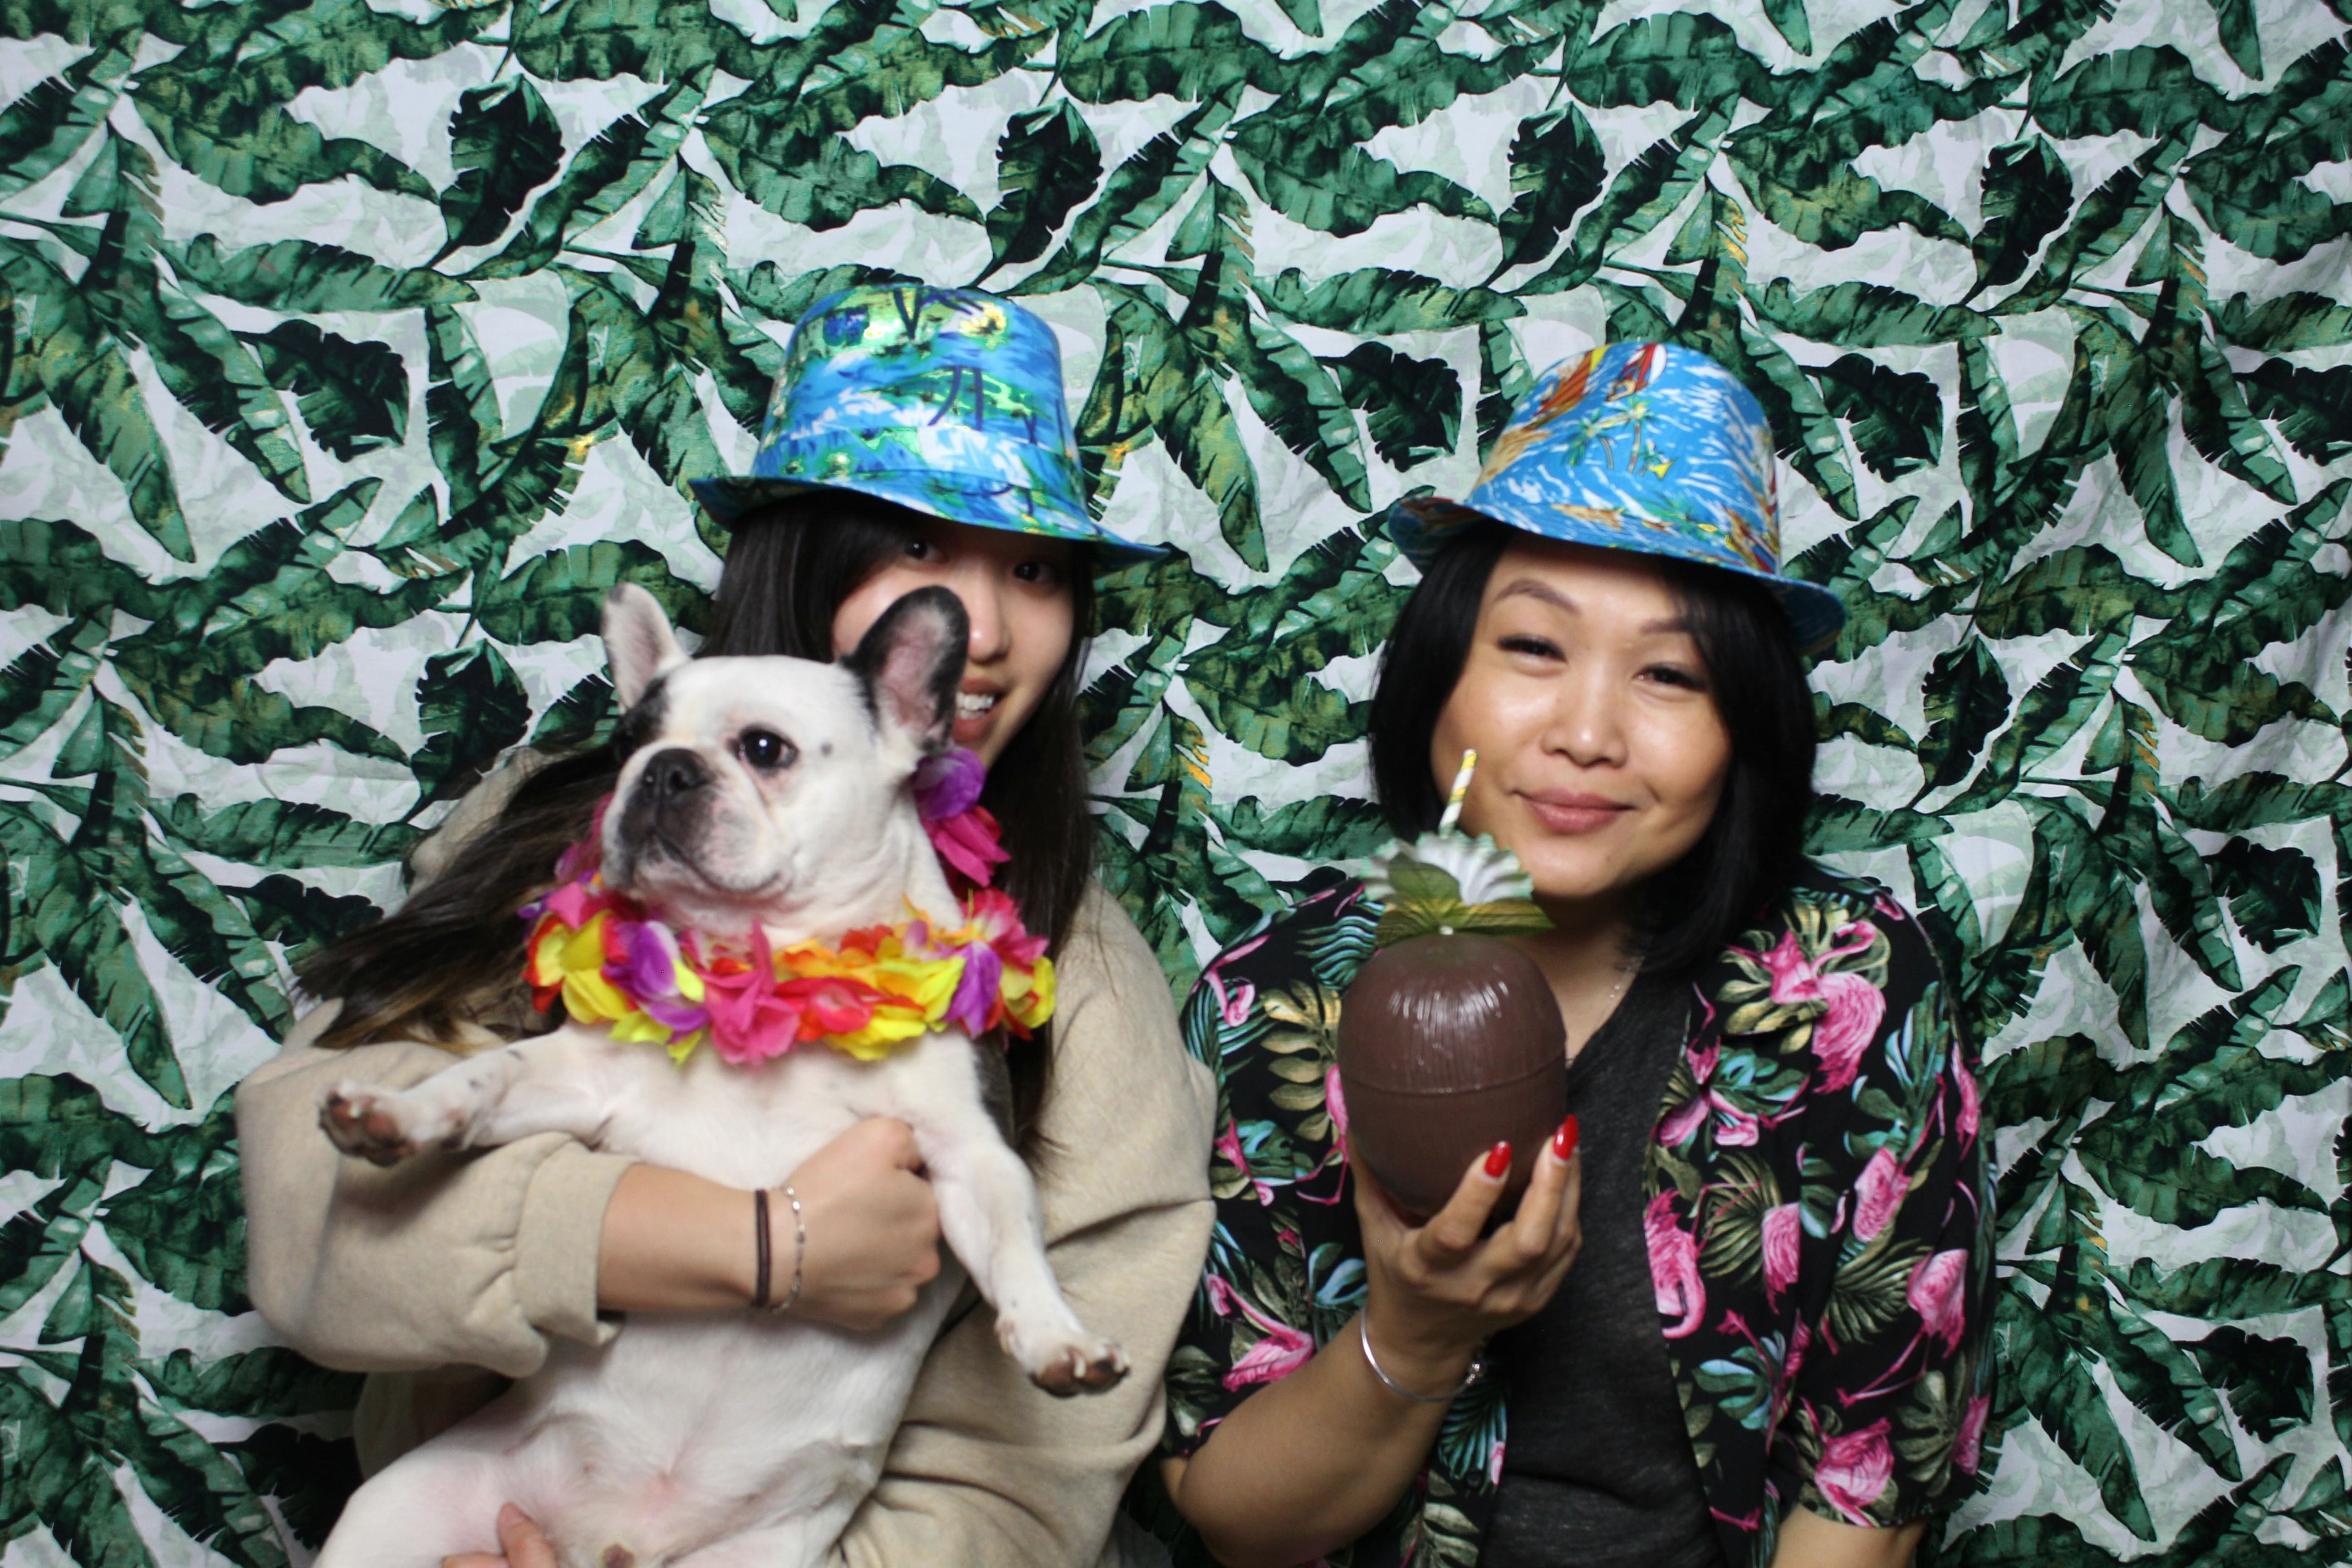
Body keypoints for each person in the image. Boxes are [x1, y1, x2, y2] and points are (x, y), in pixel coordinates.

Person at [236, 284, 1216, 1568]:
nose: (982, 627)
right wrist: (755, 1246)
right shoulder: (555, 836)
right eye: (919, 549)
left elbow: (1018, 1492)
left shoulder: (1081, 979)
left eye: (1035, 571)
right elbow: (312, 1212)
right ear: (803, 558)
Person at [1144, 343, 1992, 1568]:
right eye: (1535, 648)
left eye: (1670, 673)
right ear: (1438, 677)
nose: (1589, 734)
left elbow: (1865, 1489)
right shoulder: (1273, 1003)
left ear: (1743, 729)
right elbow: (1236, 1520)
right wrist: (1416, 1332)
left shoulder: (1853, 992)